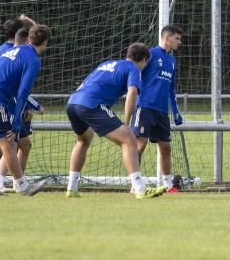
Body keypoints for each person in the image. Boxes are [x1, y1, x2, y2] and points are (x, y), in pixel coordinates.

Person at [65, 43, 166, 199]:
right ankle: (140, 189)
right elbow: (132, 92)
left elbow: (83, 84)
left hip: (73, 102)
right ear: (144, 60)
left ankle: (71, 188)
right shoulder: (133, 68)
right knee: (129, 139)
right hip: (91, 104)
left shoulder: (106, 64)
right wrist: (126, 121)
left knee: (83, 140)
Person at [0, 24, 52, 197]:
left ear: (29, 38)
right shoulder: (33, 60)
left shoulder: (12, 50)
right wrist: (16, 123)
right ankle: (23, 187)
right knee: (9, 142)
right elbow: (23, 91)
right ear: (45, 43)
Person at [131, 25, 185, 193]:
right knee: (140, 145)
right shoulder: (150, 54)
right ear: (167, 38)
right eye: (177, 38)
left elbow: (171, 89)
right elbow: (134, 72)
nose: (179, 42)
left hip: (162, 112)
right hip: (145, 107)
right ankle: (135, 184)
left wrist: (175, 111)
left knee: (165, 147)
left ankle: (168, 185)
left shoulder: (172, 61)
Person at [0, 26, 45, 192]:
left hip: (15, 107)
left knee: (24, 145)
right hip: (9, 107)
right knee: (10, 144)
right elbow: (20, 90)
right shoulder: (19, 55)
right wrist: (35, 106)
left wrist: (29, 106)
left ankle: (17, 182)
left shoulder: (15, 53)